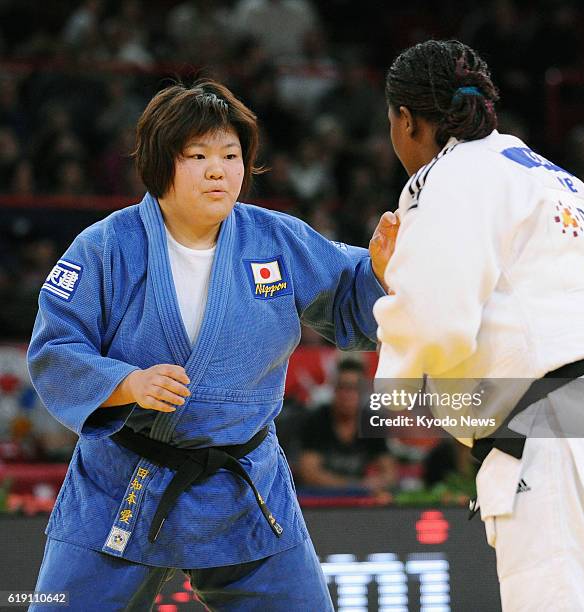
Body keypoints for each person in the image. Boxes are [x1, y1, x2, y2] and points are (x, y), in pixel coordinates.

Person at [27, 79, 399, 611]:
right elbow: (54, 348)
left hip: (243, 487)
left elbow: (348, 291)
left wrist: (381, 273)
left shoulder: (275, 239)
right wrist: (126, 383)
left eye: (231, 154)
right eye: (197, 155)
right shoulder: (106, 246)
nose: (219, 170)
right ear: (161, 165)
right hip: (124, 484)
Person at [374, 40, 584, 611]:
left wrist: (395, 283)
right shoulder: (561, 179)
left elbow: (437, 327)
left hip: (554, 439)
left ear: (405, 121)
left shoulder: (448, 176)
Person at [297, 358, 398, 494]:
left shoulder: (371, 422)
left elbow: (390, 473)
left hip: (356, 504)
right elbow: (308, 474)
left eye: (354, 388)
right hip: (318, 500)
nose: (347, 395)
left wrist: (379, 482)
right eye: (342, 387)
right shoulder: (316, 419)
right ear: (334, 389)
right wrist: (355, 486)